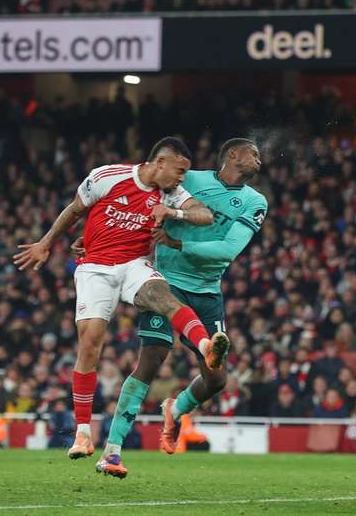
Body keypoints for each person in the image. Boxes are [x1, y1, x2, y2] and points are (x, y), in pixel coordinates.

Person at [13, 137, 230, 473]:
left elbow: (204, 215)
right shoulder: (107, 176)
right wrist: (46, 243)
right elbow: (75, 209)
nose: (182, 179)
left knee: (163, 296)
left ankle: (206, 346)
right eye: (180, 170)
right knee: (91, 342)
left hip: (134, 264)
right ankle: (83, 433)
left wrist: (172, 211)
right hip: (96, 267)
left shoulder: (169, 192)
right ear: (161, 162)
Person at [86, 138, 265, 478]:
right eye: (252, 152)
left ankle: (176, 407)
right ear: (232, 154)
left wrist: (176, 241)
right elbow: (141, 202)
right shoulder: (190, 179)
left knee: (217, 380)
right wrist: (97, 235)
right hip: (164, 283)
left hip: (207, 292)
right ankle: (112, 451)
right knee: (151, 361)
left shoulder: (256, 201)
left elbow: (228, 250)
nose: (259, 158)